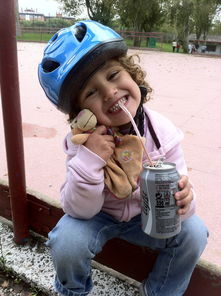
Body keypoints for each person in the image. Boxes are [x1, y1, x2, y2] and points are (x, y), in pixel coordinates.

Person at [38, 20, 208, 296]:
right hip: (97, 216)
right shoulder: (82, 142)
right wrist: (89, 159)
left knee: (195, 233)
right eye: (91, 92)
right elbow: (78, 210)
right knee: (67, 241)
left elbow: (182, 206)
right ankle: (73, 291)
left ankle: (159, 291)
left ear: (133, 75)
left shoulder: (162, 132)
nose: (109, 92)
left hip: (148, 219)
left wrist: (185, 199)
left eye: (114, 75)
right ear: (82, 112)